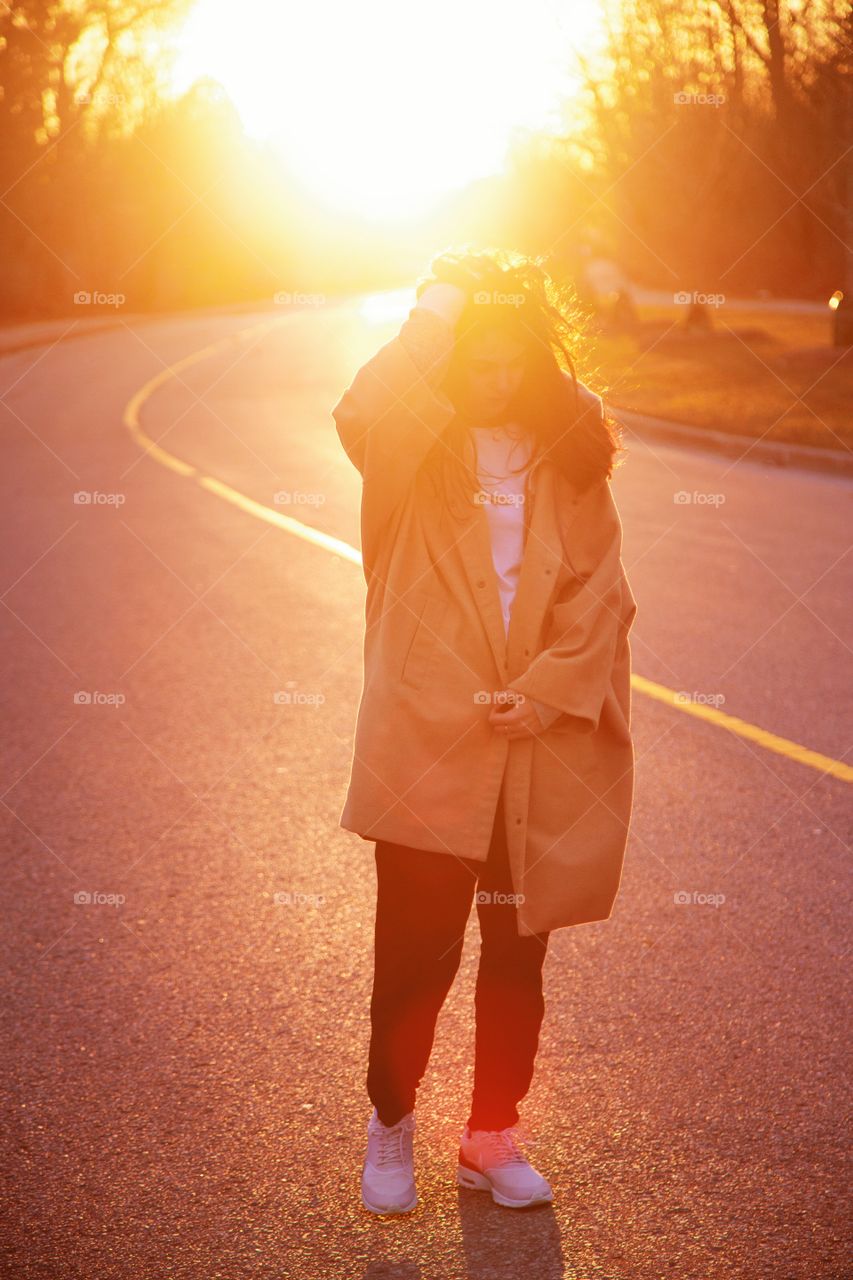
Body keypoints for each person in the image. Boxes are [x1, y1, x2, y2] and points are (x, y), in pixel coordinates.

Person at [332, 246, 638, 1215]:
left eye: (511, 360)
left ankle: (489, 1132)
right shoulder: (408, 450)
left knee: (517, 954)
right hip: (427, 733)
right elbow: (368, 404)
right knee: (416, 953)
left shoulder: (569, 458)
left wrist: (545, 691)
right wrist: (434, 308)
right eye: (475, 357)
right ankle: (391, 1121)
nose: (493, 378)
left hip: (535, 742)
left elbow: (601, 592)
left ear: (536, 362)